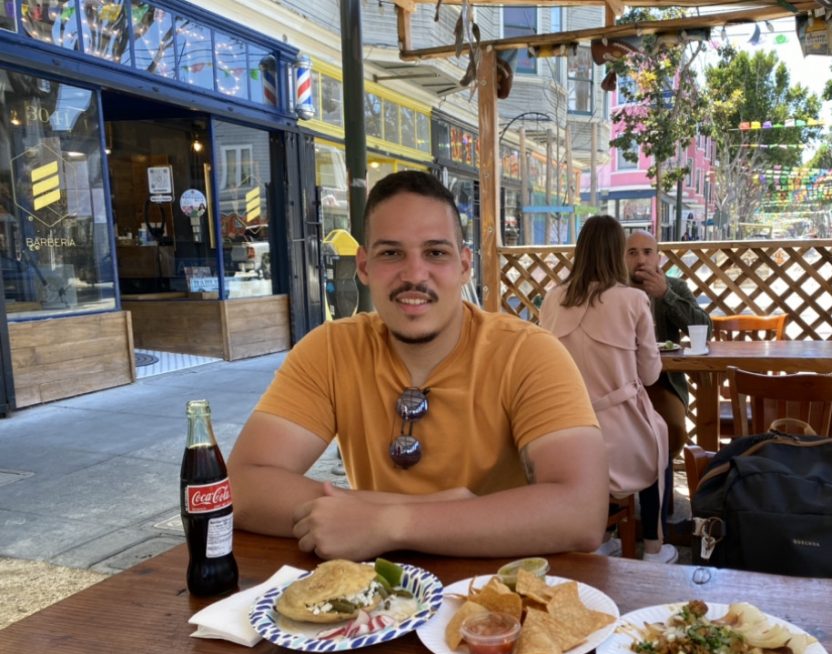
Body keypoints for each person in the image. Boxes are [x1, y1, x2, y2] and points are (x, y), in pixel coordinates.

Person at [227, 170, 608, 560]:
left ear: (464, 266)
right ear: (363, 266)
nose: (413, 275)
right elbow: (240, 485)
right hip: (375, 600)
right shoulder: (329, 349)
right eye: (391, 253)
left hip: (497, 593)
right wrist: (405, 514)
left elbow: (581, 511)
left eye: (435, 253)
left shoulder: (527, 353)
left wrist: (390, 524)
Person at [539, 216, 677, 563]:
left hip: (565, 430)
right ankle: (653, 548)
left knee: (647, 435)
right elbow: (649, 374)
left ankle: (599, 536)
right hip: (619, 430)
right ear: (618, 252)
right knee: (657, 438)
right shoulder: (632, 299)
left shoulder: (553, 298)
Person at [625, 229, 711, 463]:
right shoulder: (614, 292)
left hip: (665, 381)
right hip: (619, 382)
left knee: (671, 431)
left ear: (658, 258)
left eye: (647, 252)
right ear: (622, 258)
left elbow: (704, 329)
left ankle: (660, 495)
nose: (641, 259)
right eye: (632, 252)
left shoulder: (675, 287)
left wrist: (666, 295)